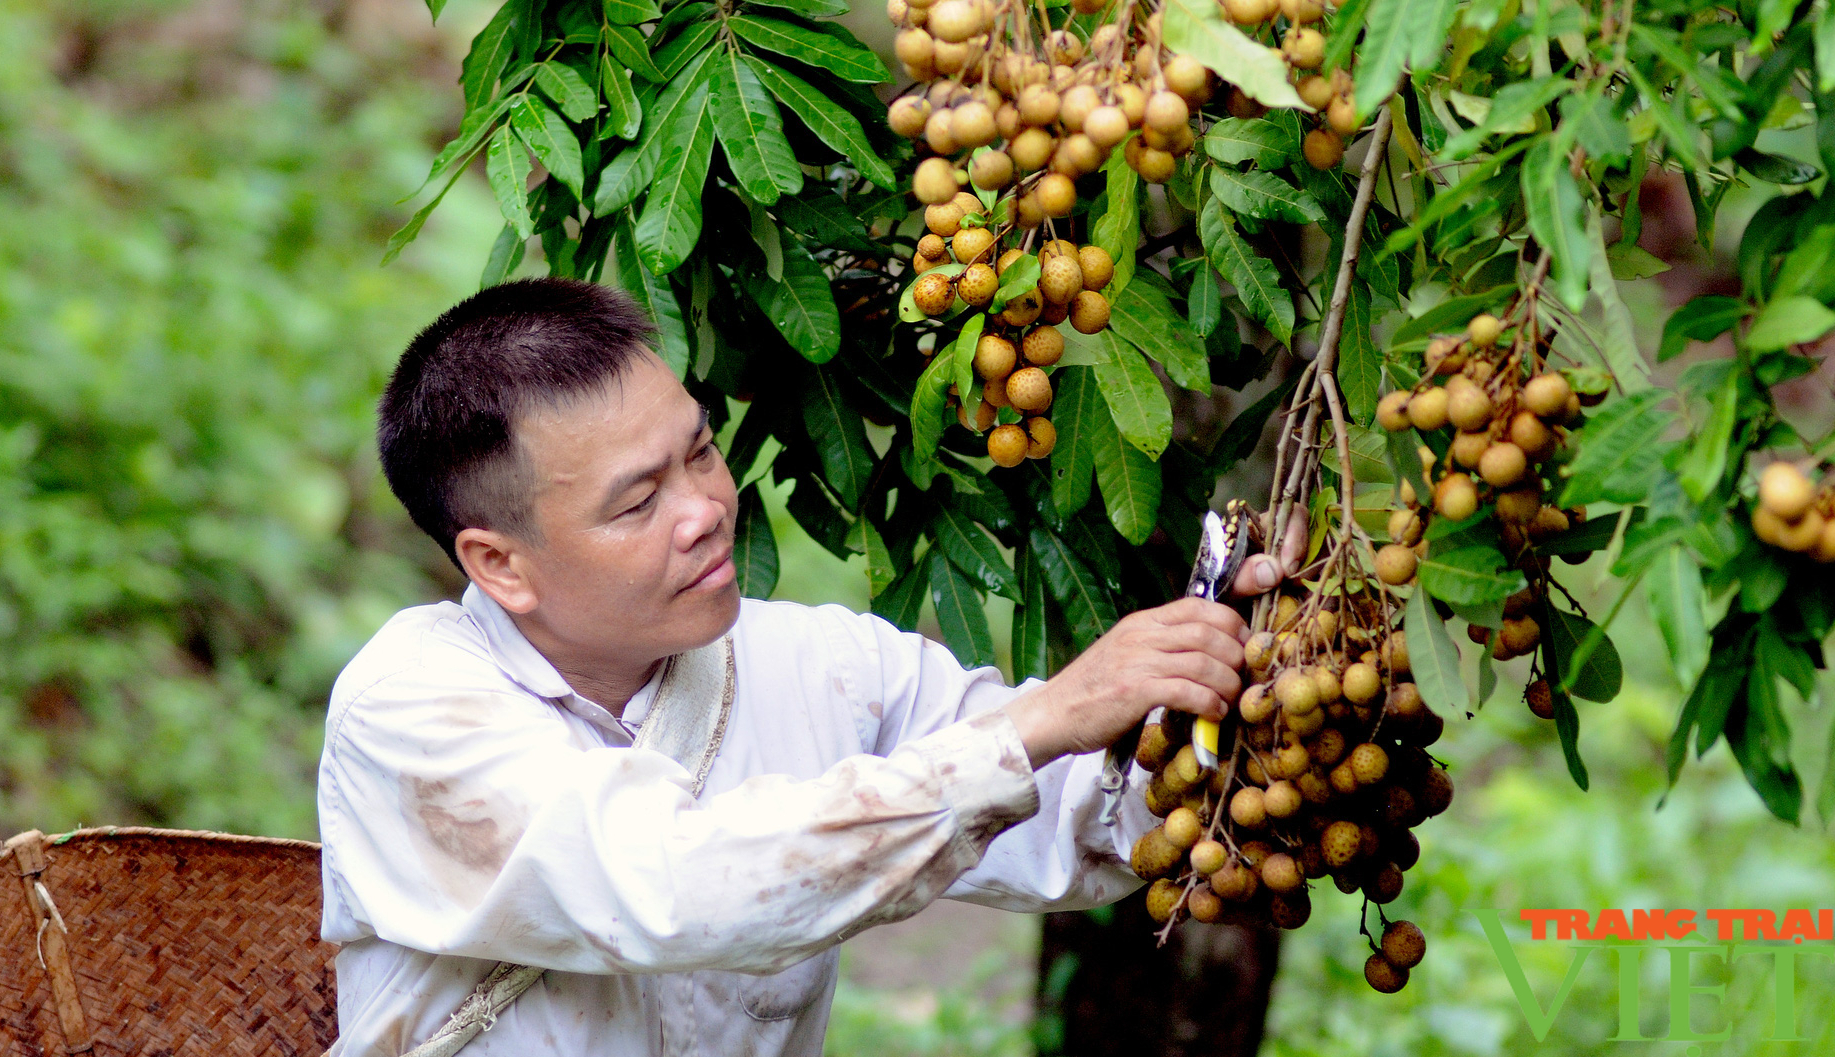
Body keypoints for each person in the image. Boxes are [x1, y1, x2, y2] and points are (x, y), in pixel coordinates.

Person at [319, 278, 1295, 1056]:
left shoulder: (822, 665)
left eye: (699, 454)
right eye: (635, 503)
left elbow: (1077, 819)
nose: (704, 507)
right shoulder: (408, 710)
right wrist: (1040, 718)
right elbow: (673, 888)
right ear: (498, 563)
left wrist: (1229, 678)